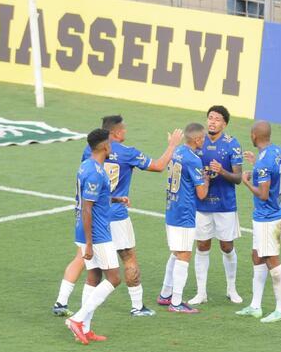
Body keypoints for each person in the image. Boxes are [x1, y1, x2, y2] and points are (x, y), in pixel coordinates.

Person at [52, 116, 183, 317]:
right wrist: (172, 145)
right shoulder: (128, 153)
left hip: (92, 217)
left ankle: (63, 303)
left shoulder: (90, 151)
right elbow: (157, 166)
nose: (125, 132)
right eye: (123, 129)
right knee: (127, 258)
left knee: (86, 263)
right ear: (114, 133)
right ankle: (137, 306)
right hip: (115, 217)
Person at [64, 128, 127, 345]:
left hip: (90, 231)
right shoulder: (94, 172)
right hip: (97, 234)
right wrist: (89, 243)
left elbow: (95, 199)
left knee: (94, 277)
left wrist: (117, 200)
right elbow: (87, 209)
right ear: (104, 146)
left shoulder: (89, 166)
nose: (112, 146)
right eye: (110, 143)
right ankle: (78, 319)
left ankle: (86, 328)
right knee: (114, 278)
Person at [189, 106, 243, 306]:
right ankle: (201, 292)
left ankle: (231, 289)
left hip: (225, 205)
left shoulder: (232, 145)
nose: (212, 122)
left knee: (227, 246)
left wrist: (222, 171)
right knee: (202, 245)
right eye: (210, 118)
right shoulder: (197, 142)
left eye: (217, 119)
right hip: (201, 204)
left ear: (224, 124)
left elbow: (237, 178)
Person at [235, 121, 281, 323]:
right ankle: (255, 305)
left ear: (254, 136)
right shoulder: (277, 151)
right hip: (268, 214)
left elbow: (264, 194)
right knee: (257, 256)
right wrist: (255, 164)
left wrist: (247, 181)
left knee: (271, 259)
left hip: (269, 216)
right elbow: (271, 172)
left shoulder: (264, 163)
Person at [157, 123, 210, 313]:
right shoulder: (193, 160)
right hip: (184, 212)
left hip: (172, 207)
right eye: (203, 137)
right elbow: (202, 194)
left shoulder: (177, 151)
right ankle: (177, 302)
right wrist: (206, 178)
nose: (204, 140)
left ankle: (165, 294)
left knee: (176, 252)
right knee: (184, 255)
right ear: (197, 140)